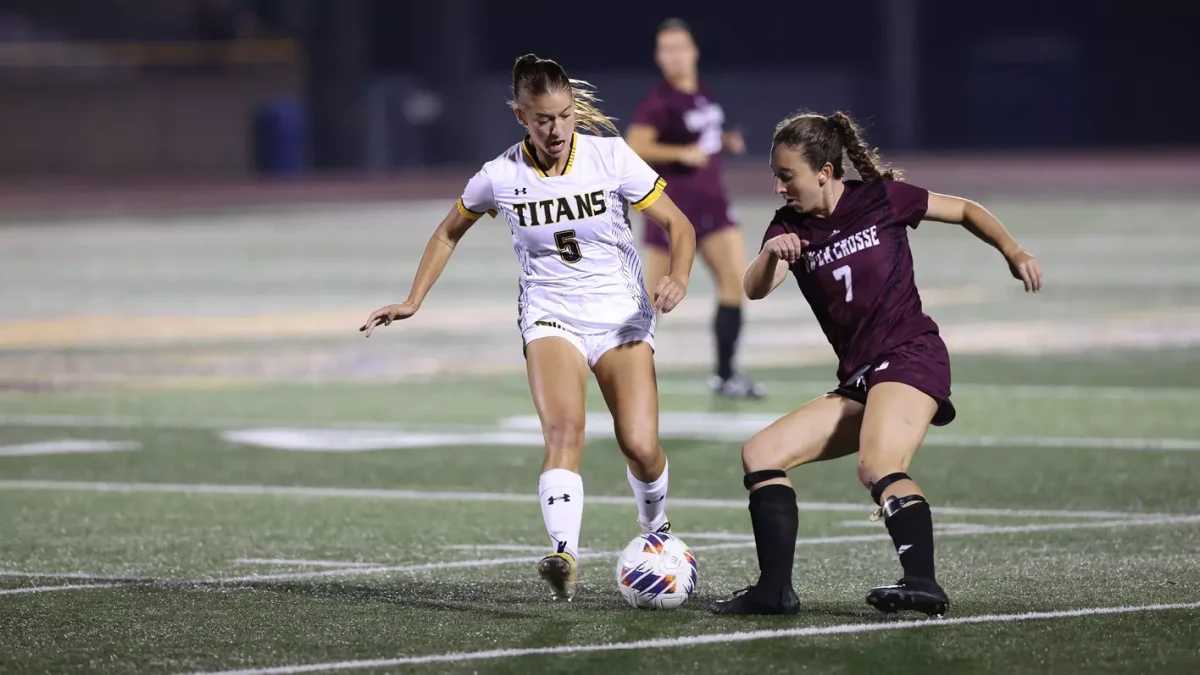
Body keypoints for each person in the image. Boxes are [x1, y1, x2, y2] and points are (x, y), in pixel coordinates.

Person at [360, 54, 697, 603]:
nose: (557, 128)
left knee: (639, 443)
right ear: (521, 115)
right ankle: (564, 552)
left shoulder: (610, 156)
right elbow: (448, 233)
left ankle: (655, 528)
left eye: (564, 116)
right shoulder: (500, 175)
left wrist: (678, 276)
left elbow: (677, 224)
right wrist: (412, 300)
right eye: (543, 118)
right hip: (549, 314)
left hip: (620, 315)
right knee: (564, 431)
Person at [709, 110, 1044, 617]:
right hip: (861, 378)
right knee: (761, 454)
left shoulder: (881, 198)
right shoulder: (789, 227)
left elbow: (966, 211)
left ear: (823, 171)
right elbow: (753, 289)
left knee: (879, 465)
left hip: (910, 355)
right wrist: (773, 255)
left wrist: (1013, 251)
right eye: (775, 176)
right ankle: (773, 592)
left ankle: (922, 582)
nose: (778, 186)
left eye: (786, 175)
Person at [624, 18, 764, 400]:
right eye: (666, 49)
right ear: (658, 57)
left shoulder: (701, 91)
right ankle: (629, 378)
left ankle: (725, 375)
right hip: (672, 211)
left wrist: (723, 141)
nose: (675, 55)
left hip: (713, 206)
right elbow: (634, 144)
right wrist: (679, 153)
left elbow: (700, 137)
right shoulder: (659, 101)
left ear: (694, 51)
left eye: (680, 47)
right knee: (654, 301)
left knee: (735, 285)